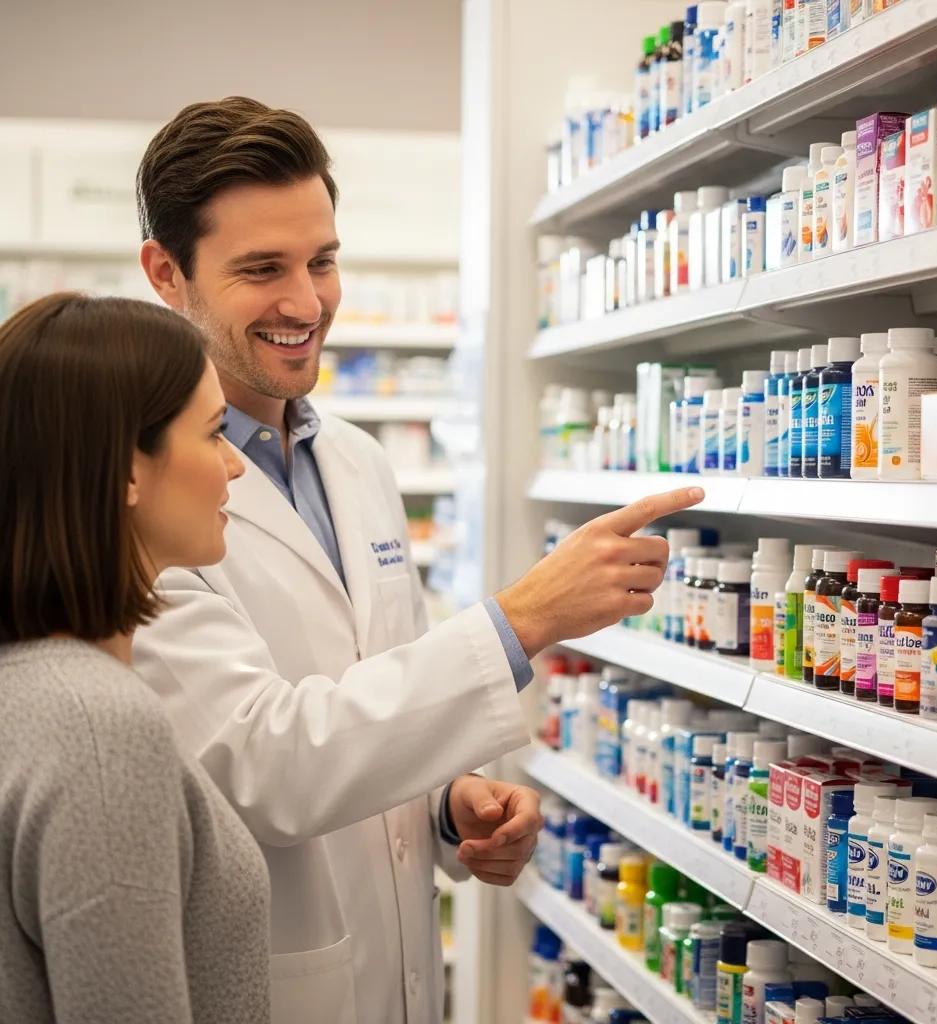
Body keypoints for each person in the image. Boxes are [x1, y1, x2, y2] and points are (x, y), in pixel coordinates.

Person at [133, 96, 704, 1024]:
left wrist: (446, 805)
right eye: (261, 270)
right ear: (168, 273)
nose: (306, 303)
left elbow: (372, 685)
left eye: (322, 261)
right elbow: (259, 762)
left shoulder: (357, 461)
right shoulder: (141, 492)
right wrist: (524, 619)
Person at [0, 293, 270, 1024]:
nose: (235, 468)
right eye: (214, 434)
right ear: (126, 468)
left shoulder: (29, 685)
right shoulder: (99, 731)